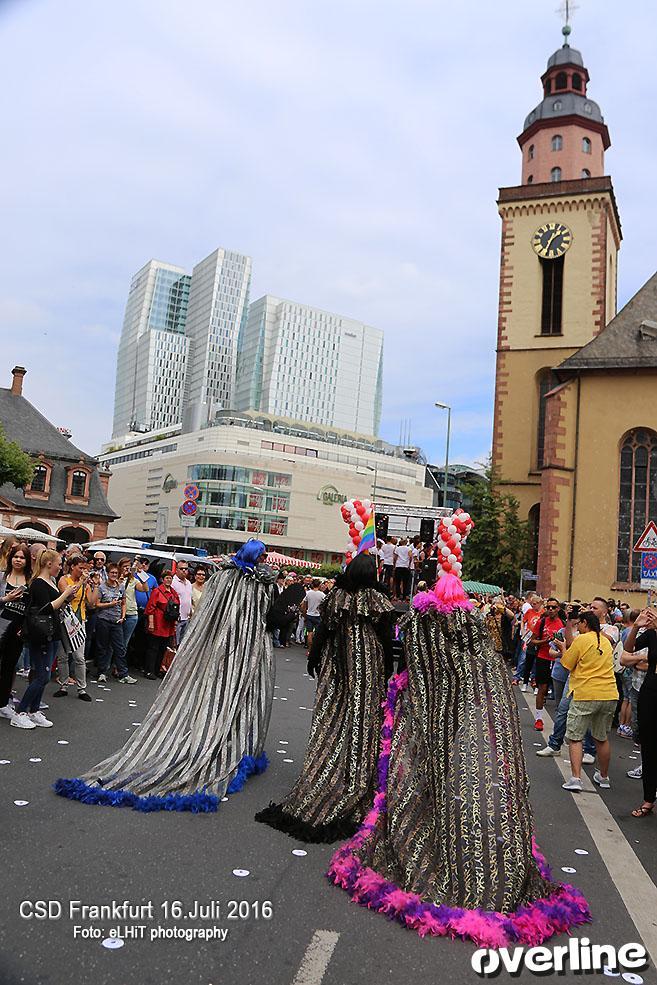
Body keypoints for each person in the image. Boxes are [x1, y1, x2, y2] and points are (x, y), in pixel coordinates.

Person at [327, 573, 589, 946]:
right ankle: (484, 862)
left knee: (442, 788)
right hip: (466, 736)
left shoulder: (430, 641)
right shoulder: (481, 657)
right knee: (462, 788)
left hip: (444, 730)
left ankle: (459, 855)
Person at [55, 540, 277, 812]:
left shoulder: (235, 579)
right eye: (262, 554)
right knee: (227, 693)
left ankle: (233, 738)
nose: (265, 559)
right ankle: (217, 742)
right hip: (234, 649)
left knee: (236, 695)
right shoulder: (243, 580)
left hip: (240, 650)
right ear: (253, 555)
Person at [256, 552, 396, 841]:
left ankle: (333, 768)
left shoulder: (338, 597)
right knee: (362, 719)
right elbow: (384, 637)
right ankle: (357, 774)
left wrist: (315, 657)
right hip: (366, 669)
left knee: (334, 717)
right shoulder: (377, 601)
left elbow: (323, 631)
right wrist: (387, 673)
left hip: (338, 666)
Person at [11, 550, 84, 730]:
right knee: (42, 675)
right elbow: (47, 608)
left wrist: (70, 593)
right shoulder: (38, 583)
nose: (61, 567)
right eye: (59, 563)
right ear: (49, 563)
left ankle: (34, 710)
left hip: (53, 632)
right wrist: (65, 593)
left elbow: (59, 605)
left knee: (44, 675)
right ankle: (20, 712)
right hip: (41, 633)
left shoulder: (50, 582)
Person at [555, 612, 617, 794]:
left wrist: (563, 647)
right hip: (608, 693)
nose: (577, 627)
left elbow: (567, 663)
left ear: (585, 623)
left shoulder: (582, 640)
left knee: (575, 737)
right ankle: (604, 777)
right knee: (601, 737)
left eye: (578, 623)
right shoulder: (605, 641)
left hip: (585, 692)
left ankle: (575, 778)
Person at [621, 608, 657, 817]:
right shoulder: (652, 634)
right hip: (650, 691)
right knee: (649, 746)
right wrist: (636, 626)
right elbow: (628, 648)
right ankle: (648, 799)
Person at [52, 555, 94, 701]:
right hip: (65, 619)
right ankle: (63, 685)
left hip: (79, 620)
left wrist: (93, 586)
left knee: (79, 656)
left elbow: (92, 603)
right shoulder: (64, 580)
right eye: (80, 568)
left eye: (85, 568)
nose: (83, 571)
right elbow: (68, 596)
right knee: (63, 655)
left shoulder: (85, 583)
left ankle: (82, 688)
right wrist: (82, 582)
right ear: (73, 567)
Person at [0, 544, 32, 721]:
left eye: (22, 557)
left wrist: (24, 628)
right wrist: (6, 599)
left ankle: (3, 704)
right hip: (0, 626)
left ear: (27, 561)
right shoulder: (2, 577)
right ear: (10, 558)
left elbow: (31, 609)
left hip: (17, 631)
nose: (18, 560)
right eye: (16, 556)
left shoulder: (30, 581)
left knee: (9, 667)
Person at [95, 562, 136, 685]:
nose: (114, 575)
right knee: (103, 647)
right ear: (107, 574)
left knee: (120, 648)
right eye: (112, 572)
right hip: (104, 620)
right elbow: (97, 604)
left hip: (117, 621)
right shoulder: (102, 587)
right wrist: (110, 604)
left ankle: (123, 673)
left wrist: (123, 616)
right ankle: (102, 672)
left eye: (116, 573)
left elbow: (123, 602)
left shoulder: (121, 587)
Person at [530, 597, 565, 732]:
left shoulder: (562, 624)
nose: (550, 610)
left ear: (558, 609)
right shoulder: (542, 622)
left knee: (559, 693)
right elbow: (533, 641)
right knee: (542, 689)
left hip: (557, 660)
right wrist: (546, 641)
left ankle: (560, 722)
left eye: (553, 607)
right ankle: (538, 718)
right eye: (548, 607)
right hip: (543, 657)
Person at [143, 569, 179, 679]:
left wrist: (175, 623)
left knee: (163, 648)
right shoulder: (157, 591)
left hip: (168, 624)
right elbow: (150, 608)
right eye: (167, 578)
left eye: (170, 578)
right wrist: (151, 623)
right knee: (153, 648)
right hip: (158, 622)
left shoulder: (173, 592)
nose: (169, 580)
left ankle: (157, 669)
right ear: (162, 579)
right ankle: (149, 670)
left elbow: (177, 607)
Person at [172, 559, 193, 644]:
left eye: (186, 569)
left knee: (183, 645)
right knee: (174, 644)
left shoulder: (188, 583)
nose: (184, 570)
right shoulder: (173, 582)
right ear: (176, 569)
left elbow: (189, 599)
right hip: (177, 620)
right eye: (181, 568)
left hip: (187, 619)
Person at [301, 578, 325, 651]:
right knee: (317, 633)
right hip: (317, 615)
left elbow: (303, 604)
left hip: (309, 614)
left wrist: (304, 613)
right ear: (319, 585)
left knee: (309, 633)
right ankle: (315, 649)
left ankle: (309, 649)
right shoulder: (322, 595)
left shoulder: (308, 593)